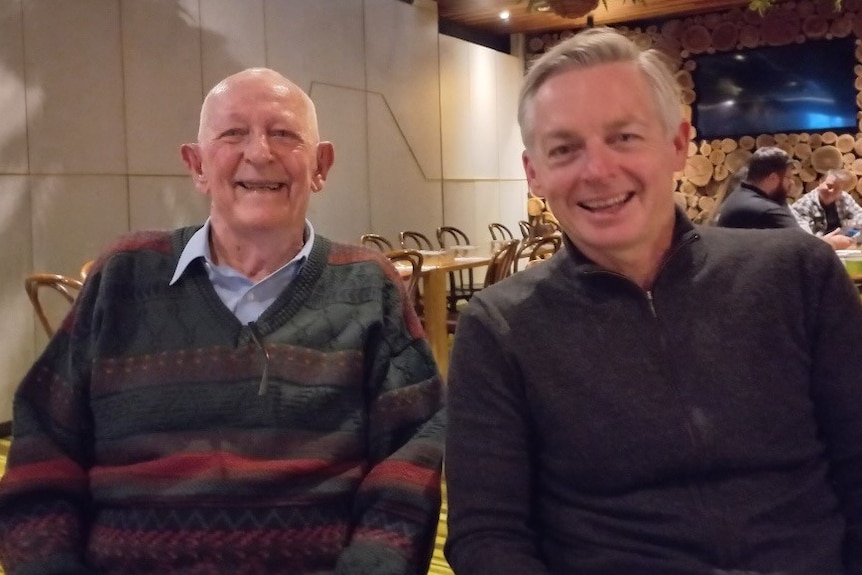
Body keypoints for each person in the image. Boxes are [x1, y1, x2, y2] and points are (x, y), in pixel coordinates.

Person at [444, 27, 862, 575]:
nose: (597, 171)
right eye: (565, 148)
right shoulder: (500, 327)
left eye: (623, 137)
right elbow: (487, 536)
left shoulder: (797, 275)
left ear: (677, 145)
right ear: (535, 172)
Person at [0, 68, 445, 575]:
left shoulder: (368, 288)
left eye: (284, 134)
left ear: (321, 166)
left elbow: (412, 462)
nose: (259, 153)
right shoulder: (124, 276)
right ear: (197, 165)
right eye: (233, 133)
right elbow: (42, 447)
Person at [713, 146, 799, 229]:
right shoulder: (764, 211)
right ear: (773, 178)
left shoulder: (740, 195)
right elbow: (801, 238)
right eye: (788, 177)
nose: (791, 182)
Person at [792, 168, 862, 249]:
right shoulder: (804, 204)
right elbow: (804, 238)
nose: (832, 191)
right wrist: (831, 242)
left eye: (838, 189)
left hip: (843, 245)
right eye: (829, 186)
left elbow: (860, 216)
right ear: (820, 183)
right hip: (817, 249)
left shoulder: (844, 198)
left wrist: (847, 234)